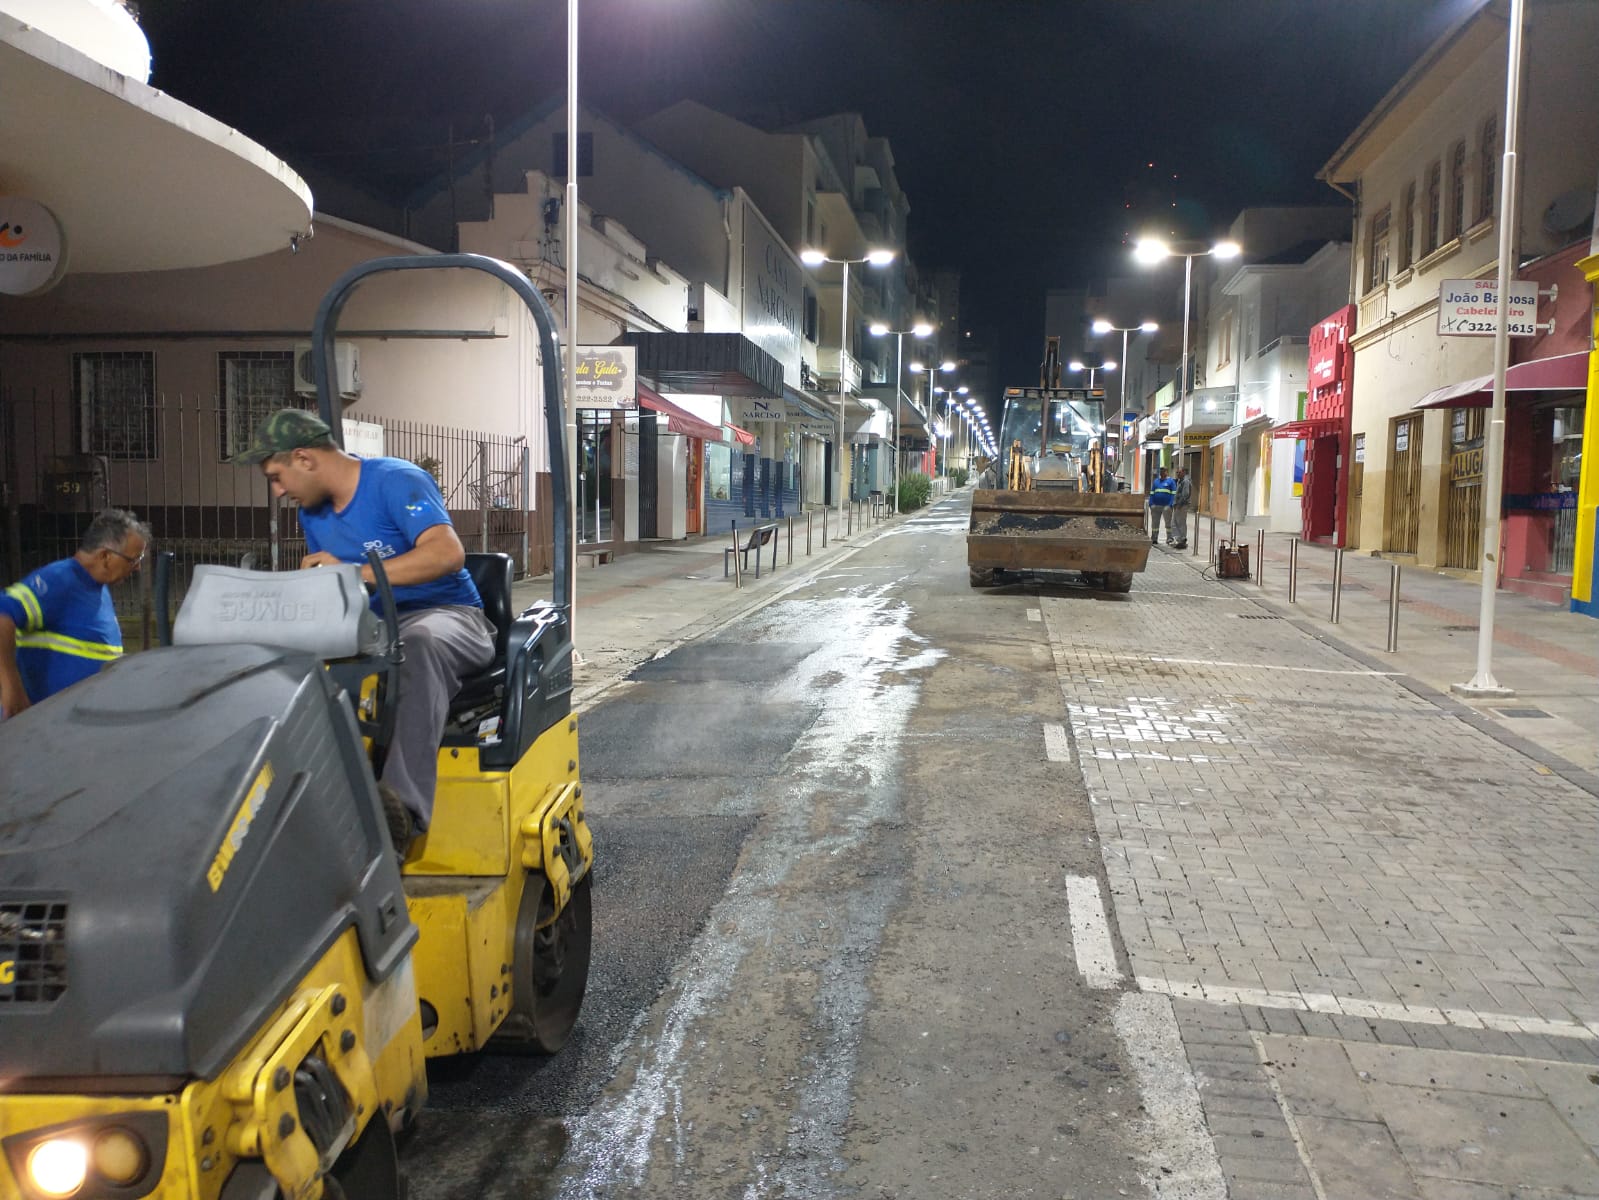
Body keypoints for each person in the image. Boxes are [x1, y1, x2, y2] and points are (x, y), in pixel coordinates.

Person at [233, 408, 494, 849]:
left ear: (305, 459)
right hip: (373, 624)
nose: (278, 492)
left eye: (277, 477)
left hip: (447, 616)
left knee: (417, 643)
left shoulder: (395, 481)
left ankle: (400, 816)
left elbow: (447, 554)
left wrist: (355, 571)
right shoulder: (313, 515)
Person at [0, 508, 148, 719]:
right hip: (41, 727)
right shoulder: (60, 580)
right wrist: (11, 687)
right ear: (106, 556)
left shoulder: (97, 587)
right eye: (133, 559)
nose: (137, 568)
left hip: (75, 726)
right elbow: (3, 613)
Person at [1149, 467, 1176, 546]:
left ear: (1167, 472)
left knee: (1168, 523)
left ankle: (1169, 538)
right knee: (1155, 523)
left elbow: (1173, 493)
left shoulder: (1171, 481)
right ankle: (1154, 538)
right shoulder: (1156, 481)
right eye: (1160, 471)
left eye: (1163, 471)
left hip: (1166, 506)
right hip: (1156, 506)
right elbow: (1152, 493)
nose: (1161, 473)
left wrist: (1170, 504)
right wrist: (1151, 504)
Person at [1171, 467, 1193, 549]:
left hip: (1182, 505)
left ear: (1184, 472)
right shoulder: (1180, 481)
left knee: (1180, 522)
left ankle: (1182, 539)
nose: (1177, 474)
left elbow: (1185, 494)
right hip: (1178, 505)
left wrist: (1179, 504)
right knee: (1175, 522)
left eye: (1179, 472)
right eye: (1177, 472)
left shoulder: (1185, 481)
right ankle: (1178, 539)